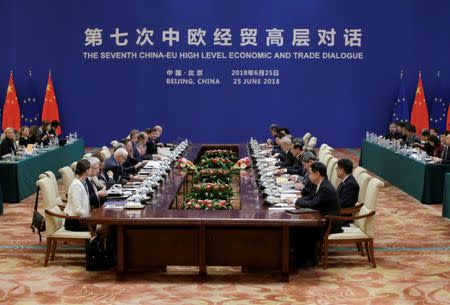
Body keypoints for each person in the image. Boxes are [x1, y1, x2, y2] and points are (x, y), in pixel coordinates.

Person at [288, 162, 343, 234]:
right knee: (295, 226)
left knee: (295, 229)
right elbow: (311, 196)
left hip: (329, 225)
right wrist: (295, 200)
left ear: (317, 174)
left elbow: (313, 204)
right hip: (322, 219)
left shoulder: (325, 188)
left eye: (310, 173)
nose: (308, 175)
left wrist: (295, 201)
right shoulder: (322, 183)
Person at [64, 160, 92, 231]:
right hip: (74, 222)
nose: (92, 169)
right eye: (90, 168)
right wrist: (88, 216)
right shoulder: (76, 185)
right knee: (100, 225)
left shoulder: (83, 182)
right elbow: (77, 210)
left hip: (80, 219)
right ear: (86, 170)